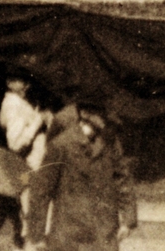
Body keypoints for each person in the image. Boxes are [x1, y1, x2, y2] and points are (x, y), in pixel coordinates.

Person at [25, 105, 137, 251]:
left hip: (103, 231)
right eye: (99, 112)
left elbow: (123, 179)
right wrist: (37, 235)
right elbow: (41, 191)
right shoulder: (61, 145)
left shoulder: (110, 143)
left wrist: (128, 220)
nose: (104, 118)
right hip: (69, 233)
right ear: (84, 114)